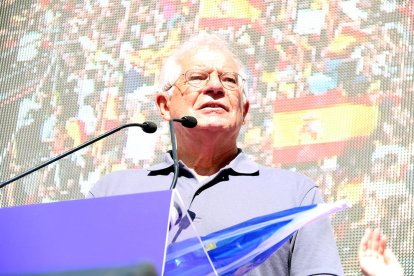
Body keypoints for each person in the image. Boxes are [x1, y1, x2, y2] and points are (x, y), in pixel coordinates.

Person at [89, 33, 343, 275]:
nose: (215, 86)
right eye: (198, 77)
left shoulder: (297, 195)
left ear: (244, 111)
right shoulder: (110, 193)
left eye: (229, 80)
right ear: (164, 106)